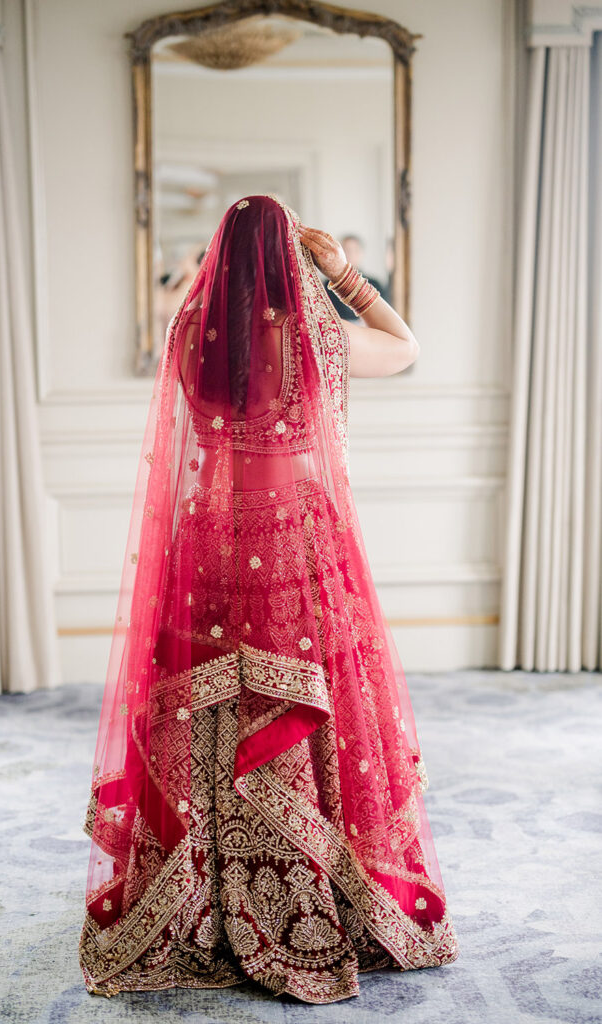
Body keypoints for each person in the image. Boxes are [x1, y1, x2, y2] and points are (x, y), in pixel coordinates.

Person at [78, 193, 459, 1004]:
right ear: (289, 256)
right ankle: (309, 887)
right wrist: (344, 275)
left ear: (218, 256)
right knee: (312, 703)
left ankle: (204, 898)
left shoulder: (188, 334)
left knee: (207, 712)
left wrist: (195, 284)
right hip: (294, 542)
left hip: (208, 539)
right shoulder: (316, 333)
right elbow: (405, 346)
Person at [323, 233, 390, 319]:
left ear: (361, 253)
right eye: (346, 250)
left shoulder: (375, 285)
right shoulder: (328, 285)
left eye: (355, 250)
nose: (350, 255)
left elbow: (382, 315)